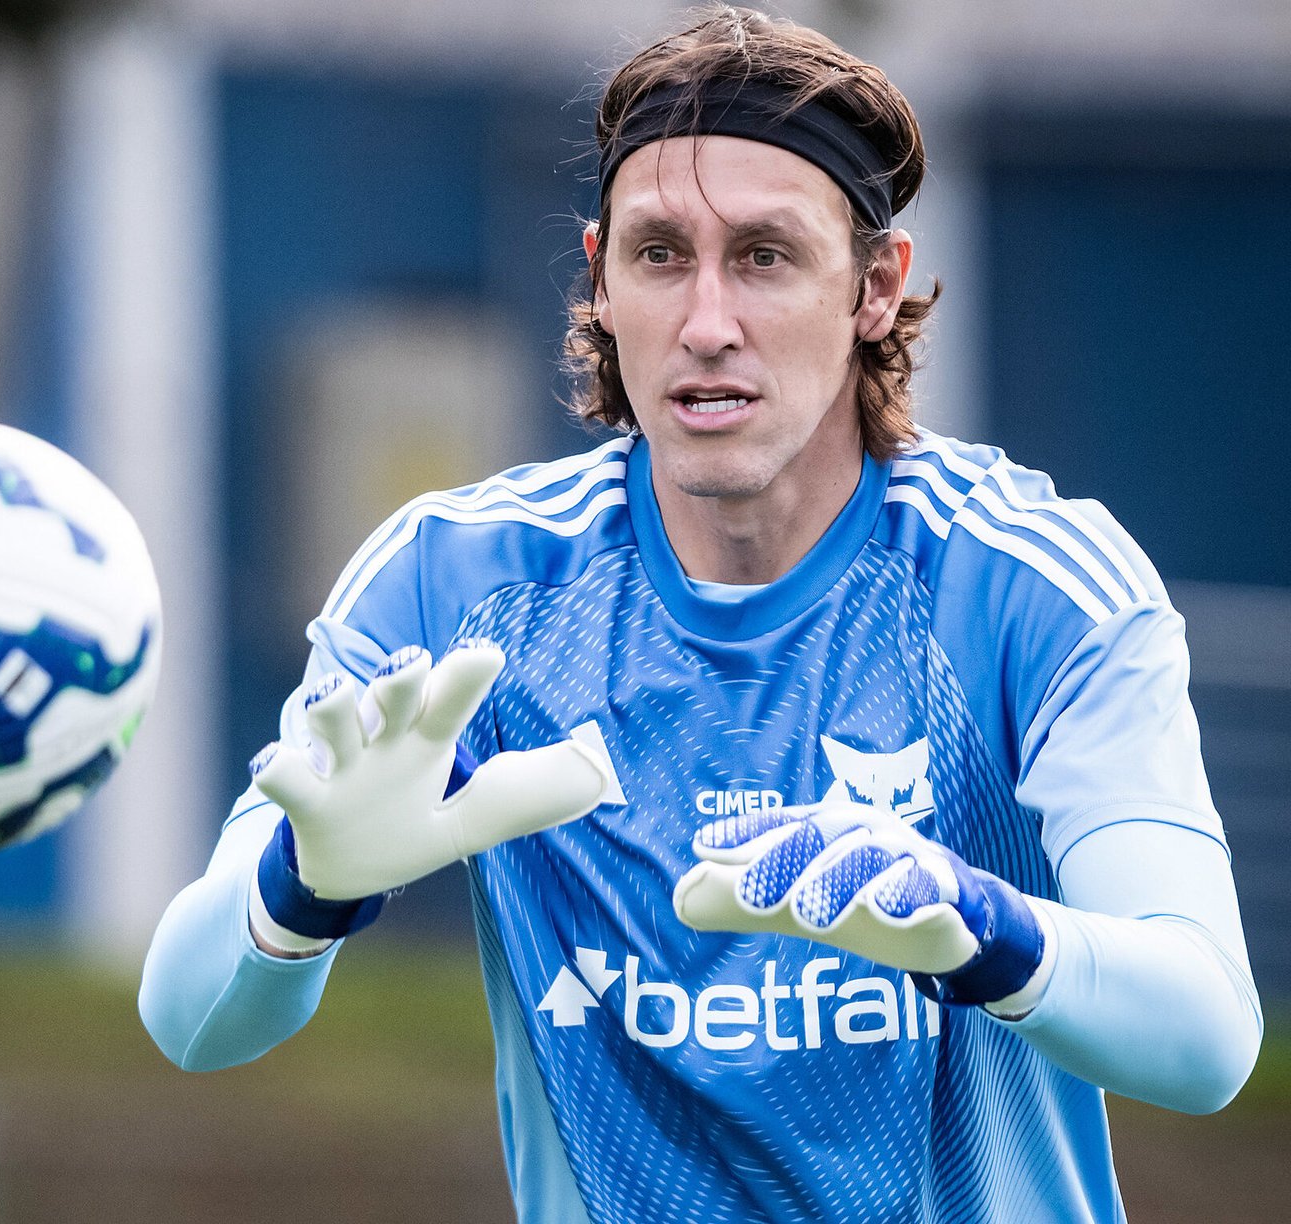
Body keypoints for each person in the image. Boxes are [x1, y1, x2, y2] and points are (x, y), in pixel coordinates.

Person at [139, 7, 1262, 1221]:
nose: (707, 322)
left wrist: (981, 928)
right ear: (600, 279)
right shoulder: (454, 581)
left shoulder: (1027, 584)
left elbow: (1204, 1035)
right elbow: (189, 1017)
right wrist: (301, 888)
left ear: (875, 287)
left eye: (765, 256)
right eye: (661, 254)